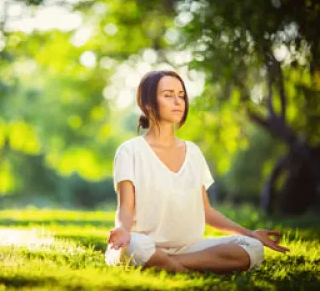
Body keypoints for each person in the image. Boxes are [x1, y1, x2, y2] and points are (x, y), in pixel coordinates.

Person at [105, 70, 290, 274]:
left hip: (189, 247)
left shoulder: (193, 152)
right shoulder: (130, 151)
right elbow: (126, 209)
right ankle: (184, 265)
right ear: (147, 104)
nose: (178, 101)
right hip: (144, 244)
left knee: (253, 247)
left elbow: (207, 211)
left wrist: (251, 234)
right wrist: (123, 229)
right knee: (136, 247)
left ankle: (167, 263)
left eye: (181, 95)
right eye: (168, 95)